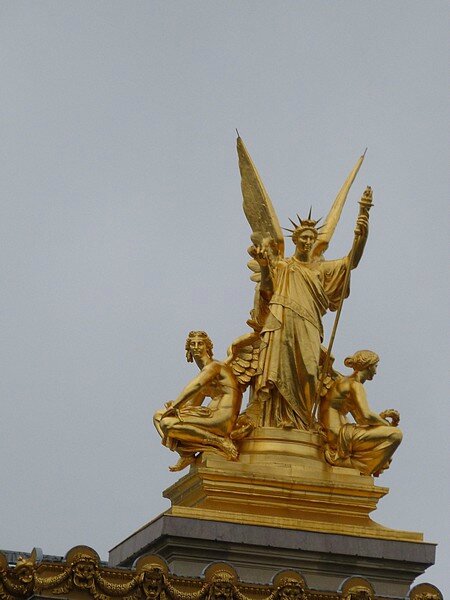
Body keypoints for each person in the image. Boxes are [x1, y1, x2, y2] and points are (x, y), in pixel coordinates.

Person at [245, 213, 369, 430]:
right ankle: (276, 420)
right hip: (281, 319)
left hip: (310, 323)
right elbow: (266, 290)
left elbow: (351, 263)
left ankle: (302, 420)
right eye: (304, 237)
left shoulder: (321, 269)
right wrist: (265, 265)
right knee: (277, 368)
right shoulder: (283, 266)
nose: (308, 241)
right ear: (295, 239)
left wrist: (361, 238)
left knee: (310, 372)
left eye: (312, 238)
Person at [153, 331, 242, 471]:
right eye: (192, 344)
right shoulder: (205, 373)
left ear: (208, 348)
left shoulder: (215, 367)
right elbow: (191, 404)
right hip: (209, 415)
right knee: (158, 416)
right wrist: (176, 407)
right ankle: (186, 453)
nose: (196, 347)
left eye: (200, 343)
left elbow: (197, 385)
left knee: (167, 424)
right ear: (188, 350)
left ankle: (220, 441)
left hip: (222, 419)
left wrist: (176, 405)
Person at [319, 350, 402, 476]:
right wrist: (387, 425)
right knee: (396, 435)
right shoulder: (355, 385)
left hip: (332, 431)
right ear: (368, 366)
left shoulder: (343, 381)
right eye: (375, 367)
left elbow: (360, 418)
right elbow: (366, 417)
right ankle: (356, 466)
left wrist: (381, 419)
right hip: (338, 434)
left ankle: (357, 465)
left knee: (385, 433)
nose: (376, 371)